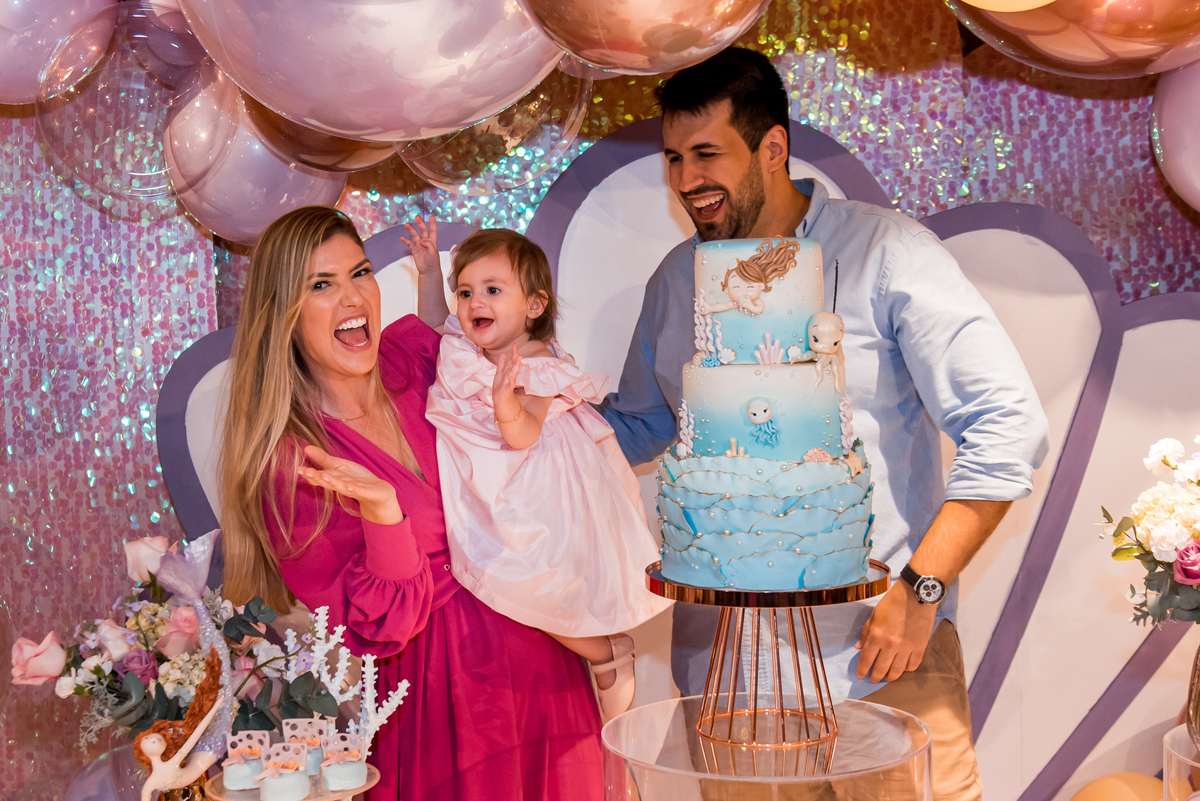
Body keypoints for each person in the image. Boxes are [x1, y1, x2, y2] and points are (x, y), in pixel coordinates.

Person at [597, 47, 1049, 800]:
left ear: (772, 147)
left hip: (883, 658)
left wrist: (921, 592)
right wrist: (507, 422)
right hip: (729, 680)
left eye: (707, 154)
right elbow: (639, 425)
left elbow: (1006, 426)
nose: (685, 180)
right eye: (673, 158)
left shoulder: (886, 251)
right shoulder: (677, 280)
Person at [218, 206, 604, 801]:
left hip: (544, 656)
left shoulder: (420, 356)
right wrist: (384, 514)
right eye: (321, 284)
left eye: (359, 272)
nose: (353, 297)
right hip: (439, 701)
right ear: (282, 315)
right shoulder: (294, 464)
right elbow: (378, 628)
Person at [422, 226, 672, 719]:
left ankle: (606, 652)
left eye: (493, 290)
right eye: (465, 292)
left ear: (534, 306)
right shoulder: (468, 349)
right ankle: (604, 652)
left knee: (527, 580)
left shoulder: (538, 364)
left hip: (538, 487)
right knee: (512, 582)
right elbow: (436, 328)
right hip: (495, 476)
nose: (475, 303)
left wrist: (504, 404)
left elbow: (524, 433)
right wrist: (429, 272)